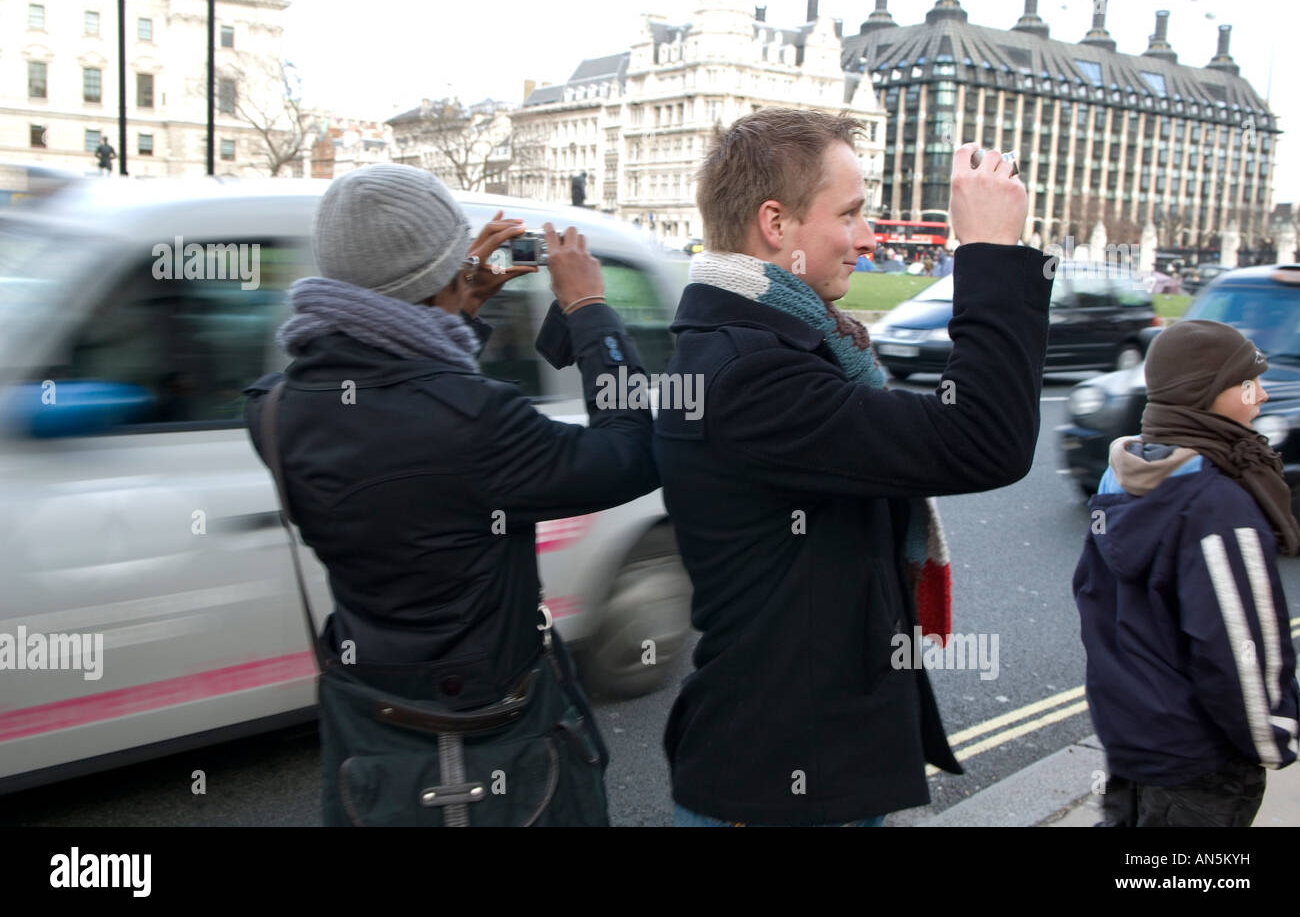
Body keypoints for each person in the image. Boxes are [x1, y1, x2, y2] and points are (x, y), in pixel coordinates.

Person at [654, 110, 1053, 826]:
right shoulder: (752, 375)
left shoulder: (779, 347)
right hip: (778, 790)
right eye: (851, 213)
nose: (869, 238)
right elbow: (982, 438)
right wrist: (990, 254)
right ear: (776, 225)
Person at [243, 163, 659, 825]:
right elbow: (634, 454)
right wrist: (588, 310)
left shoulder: (272, 410)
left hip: (370, 740)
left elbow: (397, 404)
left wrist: (447, 309)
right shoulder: (478, 422)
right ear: (442, 274)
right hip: (498, 748)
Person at [1074, 319, 1299, 827]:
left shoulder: (1122, 476)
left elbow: (1095, 603)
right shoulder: (1219, 505)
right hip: (1204, 760)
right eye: (1247, 383)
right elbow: (1235, 643)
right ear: (1206, 395)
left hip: (1134, 737)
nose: (1261, 395)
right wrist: (1271, 733)